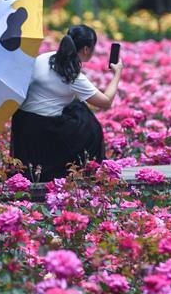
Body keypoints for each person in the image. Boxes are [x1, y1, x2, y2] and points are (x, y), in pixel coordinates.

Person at [10, 24, 123, 182]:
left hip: (21, 126)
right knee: (89, 125)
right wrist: (117, 73)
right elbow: (105, 102)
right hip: (42, 131)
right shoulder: (72, 76)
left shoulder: (43, 58)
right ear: (85, 49)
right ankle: (81, 168)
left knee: (77, 107)